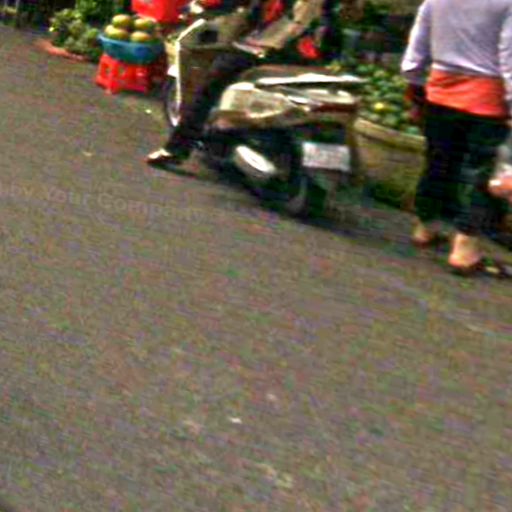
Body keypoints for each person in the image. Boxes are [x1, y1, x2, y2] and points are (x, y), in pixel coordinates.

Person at [146, 0, 343, 169]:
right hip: (310, 56)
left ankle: (176, 149)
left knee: (208, 90)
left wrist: (200, 7)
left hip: (266, 48)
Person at [402, 0, 512, 277]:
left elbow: (417, 48)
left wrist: (415, 86)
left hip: (440, 91)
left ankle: (425, 226)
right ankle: (465, 247)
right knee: (481, 172)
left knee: (439, 161)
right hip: (487, 99)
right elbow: (509, 56)